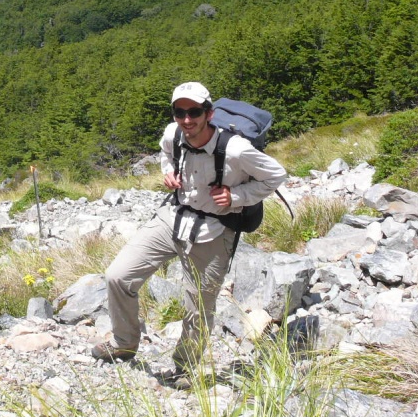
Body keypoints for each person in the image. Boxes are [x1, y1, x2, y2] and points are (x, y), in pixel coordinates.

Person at [91, 82, 287, 372]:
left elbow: (276, 175)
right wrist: (168, 171)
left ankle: (185, 367)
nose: (186, 119)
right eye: (179, 112)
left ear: (209, 113)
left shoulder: (235, 149)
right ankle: (124, 343)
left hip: (214, 230)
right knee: (118, 276)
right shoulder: (173, 134)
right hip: (173, 217)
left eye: (194, 112)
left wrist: (236, 196)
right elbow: (165, 154)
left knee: (198, 307)